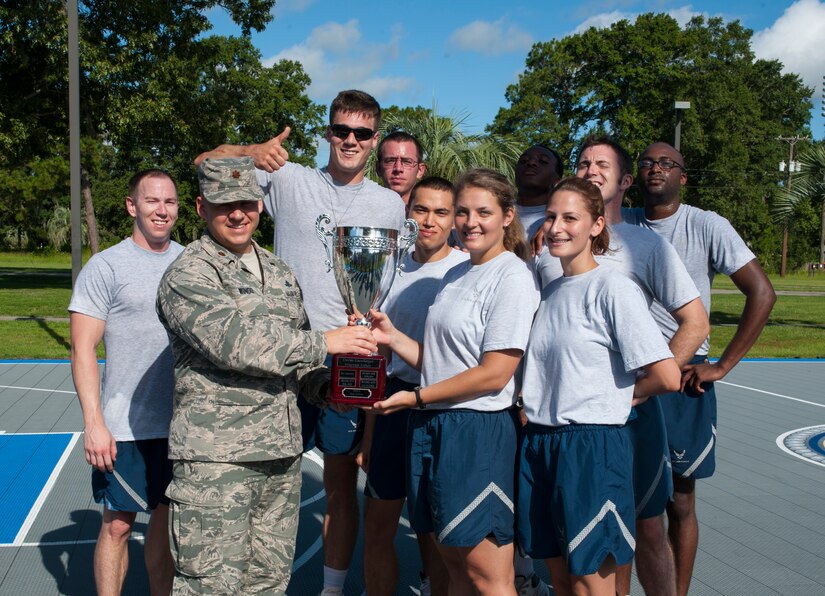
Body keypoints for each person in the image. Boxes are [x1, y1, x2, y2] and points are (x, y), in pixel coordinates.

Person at [195, 90, 405, 595]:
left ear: (374, 140)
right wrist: (249, 150)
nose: (349, 141)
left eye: (361, 133)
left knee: (338, 486)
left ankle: (330, 590)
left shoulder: (389, 204)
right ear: (327, 133)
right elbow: (203, 164)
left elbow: (389, 283)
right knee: (266, 486)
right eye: (340, 130)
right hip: (283, 357)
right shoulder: (287, 179)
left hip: (346, 360)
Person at [156, 157, 377, 594]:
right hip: (218, 462)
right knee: (211, 587)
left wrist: (328, 387)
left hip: (280, 455)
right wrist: (327, 344)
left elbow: (295, 357)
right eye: (224, 204)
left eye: (247, 201)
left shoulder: (277, 270)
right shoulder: (189, 273)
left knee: (268, 584)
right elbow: (236, 343)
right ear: (201, 207)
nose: (238, 213)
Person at [536, 136, 710, 596]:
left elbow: (695, 321)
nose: (591, 169)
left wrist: (638, 388)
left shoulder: (645, 245)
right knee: (578, 542)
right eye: (583, 161)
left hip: (630, 412)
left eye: (603, 163)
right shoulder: (548, 252)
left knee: (648, 527)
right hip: (567, 422)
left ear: (625, 180)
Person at [366, 168, 539, 595]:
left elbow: (495, 373)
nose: (470, 221)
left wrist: (416, 397)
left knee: (490, 577)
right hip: (434, 427)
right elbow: (440, 361)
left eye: (484, 212)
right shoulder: (456, 275)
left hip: (475, 431)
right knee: (454, 568)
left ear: (507, 216)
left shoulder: (511, 276)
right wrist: (393, 336)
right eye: (463, 211)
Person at [625, 142, 777, 596]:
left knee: (680, 502)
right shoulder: (621, 222)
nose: (656, 169)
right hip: (627, 374)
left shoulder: (706, 224)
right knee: (628, 498)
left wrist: (724, 364)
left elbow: (762, 292)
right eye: (648, 162)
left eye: (667, 164)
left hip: (683, 375)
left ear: (683, 177)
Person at [69, 169, 182, 596]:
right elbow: (82, 349)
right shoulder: (107, 266)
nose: (161, 210)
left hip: (180, 425)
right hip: (124, 427)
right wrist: (94, 422)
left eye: (169, 202)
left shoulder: (192, 262)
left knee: (166, 520)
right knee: (117, 525)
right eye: (152, 201)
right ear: (133, 206)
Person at [358, 176, 466, 596]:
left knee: (435, 532)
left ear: (454, 218)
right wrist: (368, 432)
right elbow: (379, 355)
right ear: (408, 213)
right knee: (378, 527)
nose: (430, 220)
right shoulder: (387, 268)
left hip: (442, 411)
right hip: (391, 405)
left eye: (441, 212)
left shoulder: (465, 270)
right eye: (421, 210)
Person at [515, 144, 564, 242]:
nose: (531, 163)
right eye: (524, 160)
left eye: (543, 161)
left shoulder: (561, 221)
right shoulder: (497, 209)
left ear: (557, 181)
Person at [375, 130, 426, 205]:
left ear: (420, 170)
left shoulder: (432, 214)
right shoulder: (363, 212)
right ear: (378, 168)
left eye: (407, 162)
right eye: (390, 161)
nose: (398, 168)